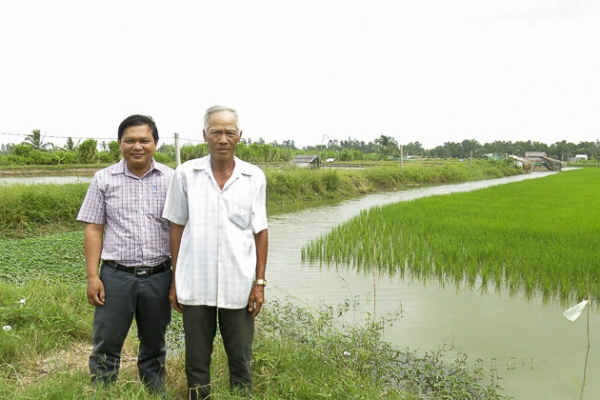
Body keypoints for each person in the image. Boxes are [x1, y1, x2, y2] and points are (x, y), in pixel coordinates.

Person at [162, 105, 268, 399]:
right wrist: (175, 279)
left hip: (239, 283)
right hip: (196, 282)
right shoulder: (186, 174)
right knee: (196, 362)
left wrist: (259, 283)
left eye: (229, 133)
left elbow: (260, 231)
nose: (223, 139)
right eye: (216, 132)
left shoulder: (253, 177)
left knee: (241, 360)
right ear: (205, 136)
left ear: (239, 137)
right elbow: (177, 227)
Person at [76, 114, 174, 392]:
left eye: (144, 140)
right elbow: (94, 228)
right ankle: (102, 391)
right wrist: (93, 277)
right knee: (107, 341)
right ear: (120, 143)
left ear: (155, 143)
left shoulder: (172, 179)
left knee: (155, 341)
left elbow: (179, 230)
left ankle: (155, 392)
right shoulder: (104, 179)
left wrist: (178, 276)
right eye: (130, 140)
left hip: (159, 275)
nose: (137, 146)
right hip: (116, 276)